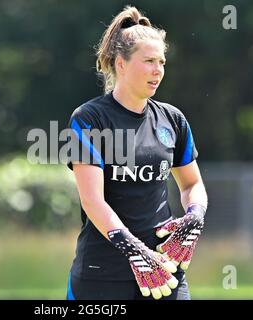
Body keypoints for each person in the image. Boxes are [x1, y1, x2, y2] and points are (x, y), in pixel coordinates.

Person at [65, 6, 208, 300]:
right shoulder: (88, 119)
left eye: (162, 62)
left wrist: (195, 214)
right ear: (121, 63)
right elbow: (92, 200)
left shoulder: (173, 119)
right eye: (149, 61)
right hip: (102, 273)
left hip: (163, 269)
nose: (158, 70)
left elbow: (192, 184)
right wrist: (134, 250)